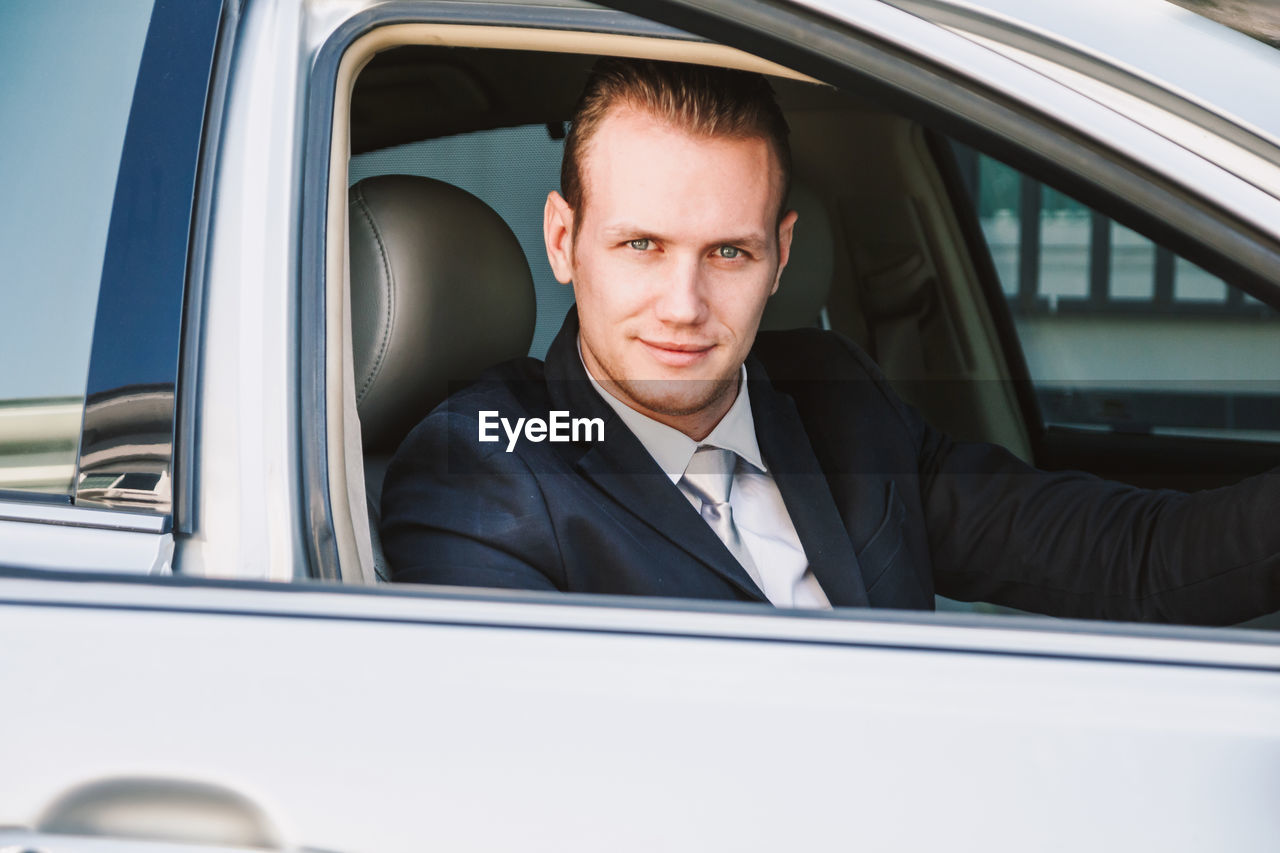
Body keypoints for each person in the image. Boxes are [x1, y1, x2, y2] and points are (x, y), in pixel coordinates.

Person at [379, 58, 1279, 624]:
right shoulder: (483, 463)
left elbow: (1133, 561)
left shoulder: (831, 394)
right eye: (641, 245)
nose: (684, 304)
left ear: (781, 257)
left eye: (727, 251)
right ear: (566, 242)